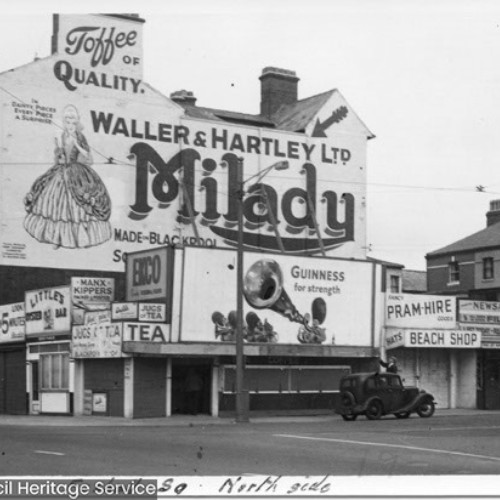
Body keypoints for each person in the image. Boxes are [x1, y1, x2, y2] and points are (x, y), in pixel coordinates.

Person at [24, 104, 112, 249]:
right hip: (61, 172)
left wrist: (77, 145)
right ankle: (56, 237)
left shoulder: (80, 137)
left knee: (78, 203)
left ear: (77, 123)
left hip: (78, 173)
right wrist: (59, 147)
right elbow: (58, 158)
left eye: (73, 123)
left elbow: (89, 158)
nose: (70, 125)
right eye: (67, 122)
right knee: (54, 202)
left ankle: (79, 238)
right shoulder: (61, 136)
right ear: (64, 123)